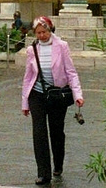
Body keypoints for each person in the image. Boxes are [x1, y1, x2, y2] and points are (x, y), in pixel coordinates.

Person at [22, 15, 84, 186]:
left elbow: (71, 72)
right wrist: (25, 102)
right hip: (37, 94)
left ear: (50, 30)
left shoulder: (62, 46)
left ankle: (58, 163)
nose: (41, 35)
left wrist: (78, 94)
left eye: (44, 32)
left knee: (56, 132)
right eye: (38, 33)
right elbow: (28, 77)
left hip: (57, 95)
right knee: (39, 132)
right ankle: (43, 173)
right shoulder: (31, 49)